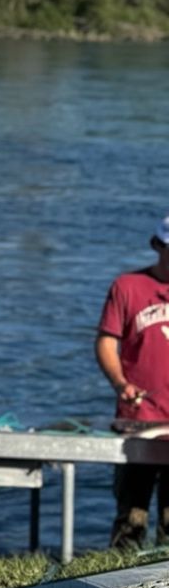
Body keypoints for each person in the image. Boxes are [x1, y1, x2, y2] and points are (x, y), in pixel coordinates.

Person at [96, 216, 169, 550]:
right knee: (131, 516)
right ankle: (118, 582)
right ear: (156, 246)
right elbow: (107, 341)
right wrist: (120, 382)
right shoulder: (128, 287)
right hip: (137, 419)